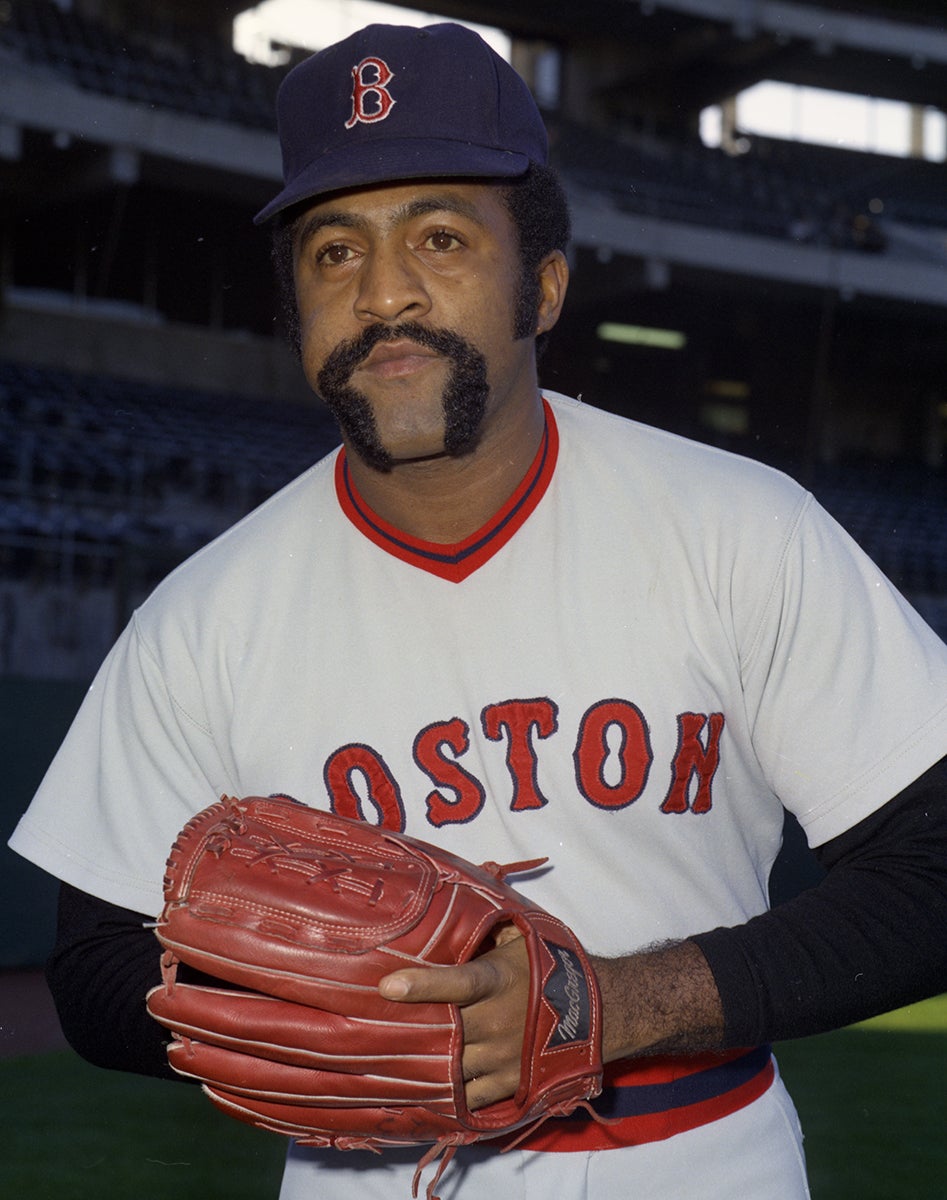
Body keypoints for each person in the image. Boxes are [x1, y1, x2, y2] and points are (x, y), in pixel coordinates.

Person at [10, 21, 947, 1200]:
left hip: (697, 1158)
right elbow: (96, 967)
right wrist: (343, 1006)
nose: (383, 291)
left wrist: (604, 1006)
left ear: (542, 285)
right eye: (333, 252)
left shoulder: (739, 529)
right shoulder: (204, 617)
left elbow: (931, 868)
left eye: (440, 237)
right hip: (361, 1176)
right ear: (296, 309)